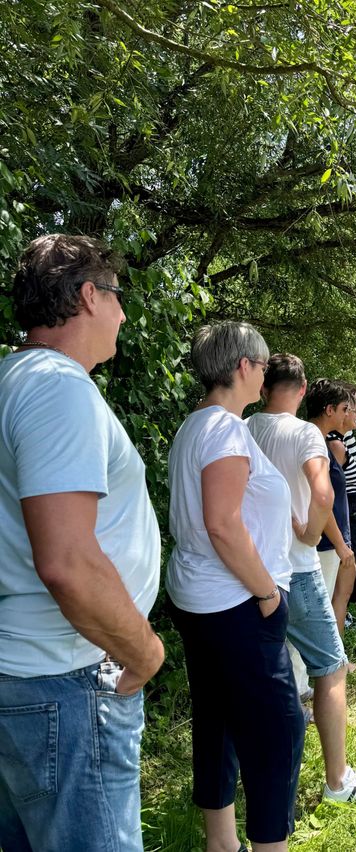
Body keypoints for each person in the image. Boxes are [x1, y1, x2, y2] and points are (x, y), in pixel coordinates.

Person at [0, 234, 164, 852]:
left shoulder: (13, 379)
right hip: (66, 680)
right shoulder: (56, 386)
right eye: (118, 298)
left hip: (30, 678)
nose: (123, 316)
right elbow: (67, 561)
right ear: (90, 296)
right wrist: (144, 651)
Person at [166, 322, 304, 852]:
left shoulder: (196, 424)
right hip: (236, 603)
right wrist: (268, 593)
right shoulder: (223, 429)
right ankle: (269, 845)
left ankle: (221, 844)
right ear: (243, 366)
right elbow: (222, 523)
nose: (265, 376)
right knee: (277, 732)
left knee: (217, 720)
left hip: (201, 598)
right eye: (263, 365)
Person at [246, 356, 356, 802]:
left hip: (252, 570)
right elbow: (323, 492)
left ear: (262, 386)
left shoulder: (245, 427)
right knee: (332, 666)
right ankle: (337, 782)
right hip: (297, 567)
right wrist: (311, 533)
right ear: (304, 388)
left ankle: (256, 770)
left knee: (265, 670)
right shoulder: (306, 433)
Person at [309, 380, 356, 635]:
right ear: (329, 410)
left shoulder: (321, 441)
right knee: (321, 609)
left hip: (330, 540)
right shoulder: (316, 444)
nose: (348, 415)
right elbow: (320, 500)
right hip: (325, 543)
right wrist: (340, 543)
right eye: (344, 409)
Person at [329, 384, 356, 623]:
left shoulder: (347, 434)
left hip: (353, 498)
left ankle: (343, 609)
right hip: (346, 501)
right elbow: (334, 482)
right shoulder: (334, 441)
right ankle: (340, 612)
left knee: (355, 556)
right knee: (348, 558)